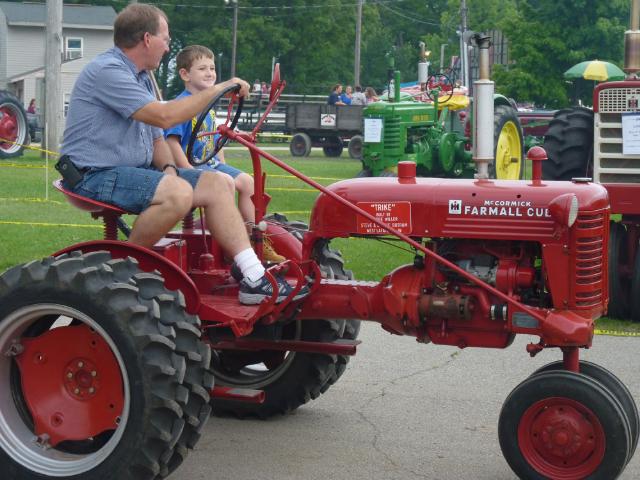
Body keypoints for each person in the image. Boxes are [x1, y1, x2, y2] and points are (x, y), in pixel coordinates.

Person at [59, 4, 304, 305]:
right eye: (165, 37)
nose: (167, 45)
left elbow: (157, 137)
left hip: (131, 171)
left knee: (219, 183)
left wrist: (169, 169)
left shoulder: (142, 77)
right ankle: (118, 273)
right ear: (147, 39)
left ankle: (252, 276)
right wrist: (221, 88)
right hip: (93, 174)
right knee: (177, 195)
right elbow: (164, 117)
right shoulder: (108, 71)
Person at [164, 45, 284, 262]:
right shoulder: (180, 105)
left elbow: (213, 140)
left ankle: (253, 237)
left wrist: (223, 156)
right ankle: (230, 244)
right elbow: (172, 141)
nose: (210, 73)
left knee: (247, 182)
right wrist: (187, 169)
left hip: (210, 164)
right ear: (185, 74)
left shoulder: (207, 105)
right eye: (202, 68)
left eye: (212, 67)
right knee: (225, 183)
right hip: (189, 166)